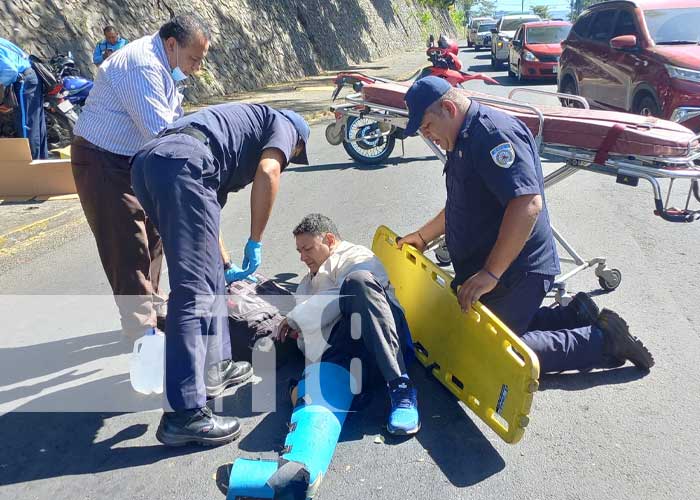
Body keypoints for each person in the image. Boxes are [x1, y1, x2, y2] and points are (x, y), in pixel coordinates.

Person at [398, 76, 654, 375]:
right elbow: (462, 204)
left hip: (517, 271)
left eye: (427, 126)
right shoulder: (463, 137)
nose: (427, 135)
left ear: (448, 109)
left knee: (488, 356)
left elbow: (527, 205)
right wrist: (421, 237)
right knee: (465, 332)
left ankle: (603, 340)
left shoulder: (493, 136)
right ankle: (573, 315)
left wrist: (490, 273)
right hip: (496, 269)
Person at [130, 103, 311, 446]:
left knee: (212, 273)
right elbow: (270, 171)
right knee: (194, 291)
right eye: (294, 153)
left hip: (151, 163)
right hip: (181, 164)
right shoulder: (284, 124)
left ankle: (216, 367)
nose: (290, 155)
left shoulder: (237, 128)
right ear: (297, 143)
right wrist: (255, 240)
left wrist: (223, 256)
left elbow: (206, 205)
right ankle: (184, 414)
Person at [71, 14, 209, 341]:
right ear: (172, 45)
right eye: (194, 59)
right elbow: (161, 135)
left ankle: (153, 308)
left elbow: (174, 123)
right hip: (102, 160)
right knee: (127, 245)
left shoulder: (165, 65)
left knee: (155, 234)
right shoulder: (142, 66)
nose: (196, 68)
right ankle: (140, 332)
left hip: (133, 159)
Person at [277, 213, 420, 436]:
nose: (302, 258)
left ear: (330, 240)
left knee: (358, 282)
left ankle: (401, 387)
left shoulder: (358, 257)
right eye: (299, 251)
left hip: (384, 343)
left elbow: (349, 298)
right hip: (349, 355)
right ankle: (341, 391)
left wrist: (296, 318)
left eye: (308, 249)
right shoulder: (306, 284)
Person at [0, 38, 48, 159]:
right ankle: (42, 163)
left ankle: (30, 166)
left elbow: (10, 72)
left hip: (23, 81)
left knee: (26, 127)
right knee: (36, 125)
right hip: (32, 75)